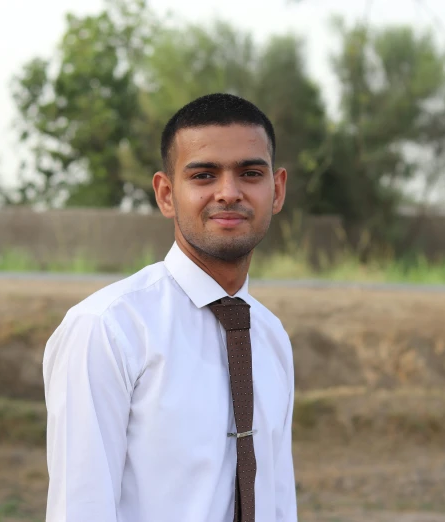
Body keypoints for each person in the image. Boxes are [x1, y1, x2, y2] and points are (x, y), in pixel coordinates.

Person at [42, 93, 297, 522]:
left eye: (251, 173)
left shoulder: (270, 337)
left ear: (277, 190)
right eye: (203, 175)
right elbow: (79, 508)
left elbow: (277, 501)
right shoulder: (108, 329)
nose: (229, 193)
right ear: (165, 193)